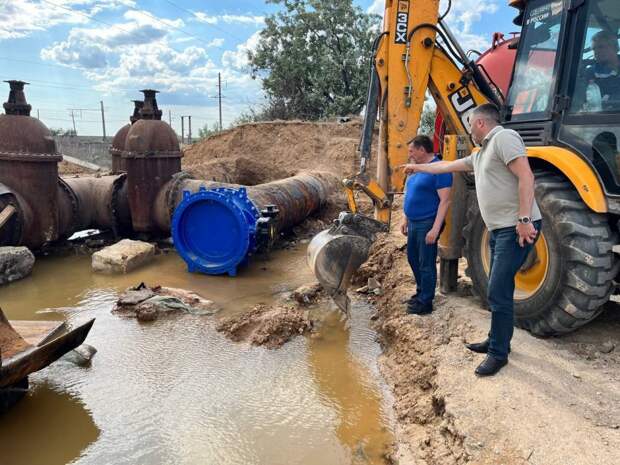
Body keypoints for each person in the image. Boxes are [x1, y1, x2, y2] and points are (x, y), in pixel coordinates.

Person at [401, 104, 542, 377]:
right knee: (498, 286)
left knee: (497, 290)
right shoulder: (481, 154)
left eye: (470, 126)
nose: (469, 132)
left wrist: (524, 219)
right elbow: (445, 165)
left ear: (479, 123)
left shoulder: (503, 138)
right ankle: (497, 339)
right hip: (499, 229)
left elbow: (526, 176)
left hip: (515, 228)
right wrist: (416, 167)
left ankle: (498, 354)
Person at [400, 135, 452, 315]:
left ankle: (426, 301)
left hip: (427, 223)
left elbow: (445, 201)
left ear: (422, 150)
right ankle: (421, 292)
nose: (410, 154)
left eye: (412, 150)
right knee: (413, 259)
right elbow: (410, 193)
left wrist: (435, 229)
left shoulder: (440, 169)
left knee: (426, 262)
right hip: (413, 222)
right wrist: (405, 218)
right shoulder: (417, 169)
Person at [585, 30, 620, 110]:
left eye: (601, 47)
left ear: (615, 47)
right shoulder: (589, 73)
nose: (596, 51)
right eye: (594, 49)